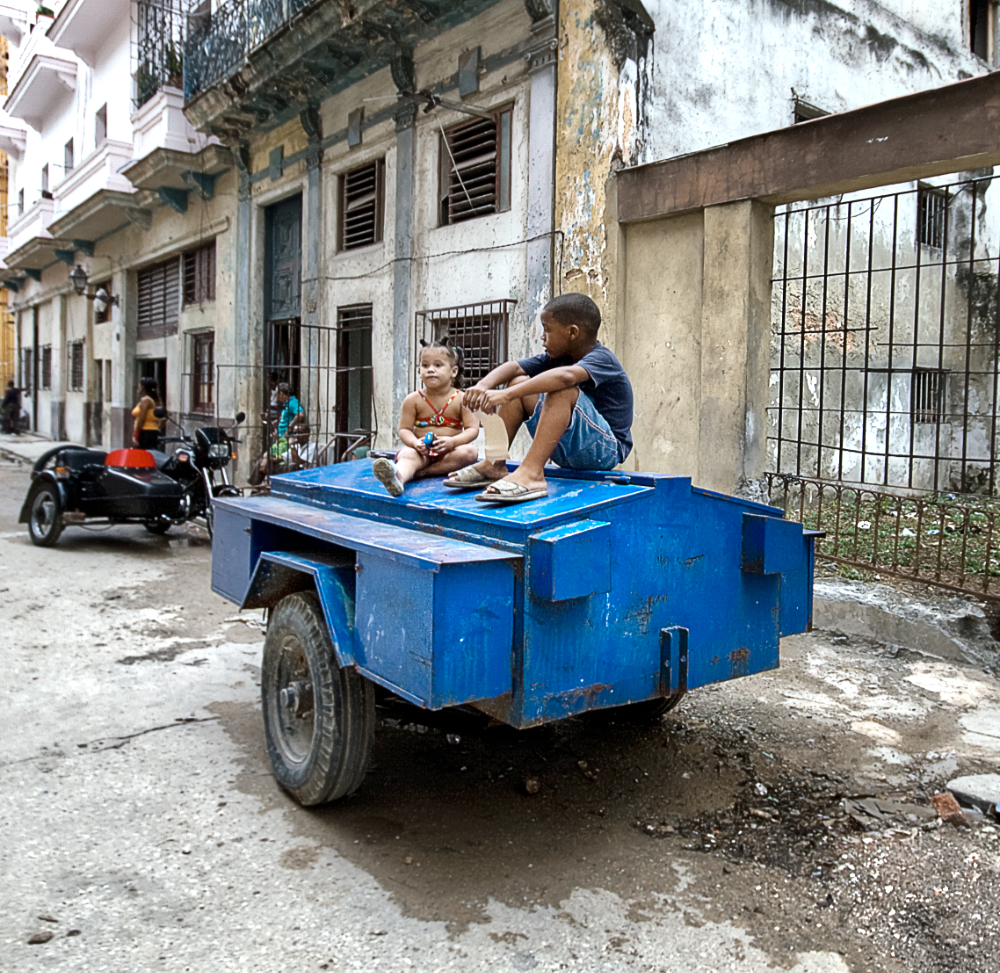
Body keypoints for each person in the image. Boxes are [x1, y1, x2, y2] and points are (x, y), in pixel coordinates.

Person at [446, 293, 633, 505]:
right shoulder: (557, 358)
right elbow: (514, 367)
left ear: (572, 332)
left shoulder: (602, 358)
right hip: (569, 449)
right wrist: (482, 386)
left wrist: (505, 395)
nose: (542, 337)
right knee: (518, 382)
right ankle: (493, 463)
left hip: (605, 451)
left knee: (561, 388)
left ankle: (532, 474)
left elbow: (566, 377)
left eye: (547, 329)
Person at [372, 340, 479, 497]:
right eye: (425, 365)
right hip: (419, 452)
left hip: (448, 453)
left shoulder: (462, 399)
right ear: (419, 370)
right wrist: (415, 443)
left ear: (453, 371)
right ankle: (398, 478)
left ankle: (419, 473)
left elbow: (472, 429)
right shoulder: (413, 400)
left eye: (438, 365)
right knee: (408, 455)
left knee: (470, 453)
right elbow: (404, 429)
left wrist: (452, 442)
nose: (430, 370)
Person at [252, 383, 306, 484]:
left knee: (268, 457)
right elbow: (285, 418)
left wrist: (290, 426)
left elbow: (300, 414)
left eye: (277, 394)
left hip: (285, 440)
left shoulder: (293, 402)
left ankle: (257, 485)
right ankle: (257, 485)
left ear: (281, 393)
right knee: (265, 457)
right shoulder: (287, 404)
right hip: (281, 438)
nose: (277, 396)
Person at [132, 377, 163, 449]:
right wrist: (158, 427)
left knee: (142, 456)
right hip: (153, 432)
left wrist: (136, 433)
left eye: (139, 386)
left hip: (144, 432)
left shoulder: (145, 400)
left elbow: (142, 418)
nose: (138, 389)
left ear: (143, 388)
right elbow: (164, 416)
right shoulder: (157, 400)